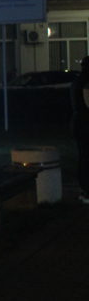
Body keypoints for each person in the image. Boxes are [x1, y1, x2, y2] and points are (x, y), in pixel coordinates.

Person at [70, 56, 89, 204]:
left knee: (83, 157)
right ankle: (86, 190)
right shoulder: (86, 83)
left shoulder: (77, 81)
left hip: (80, 124)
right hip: (86, 125)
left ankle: (84, 188)